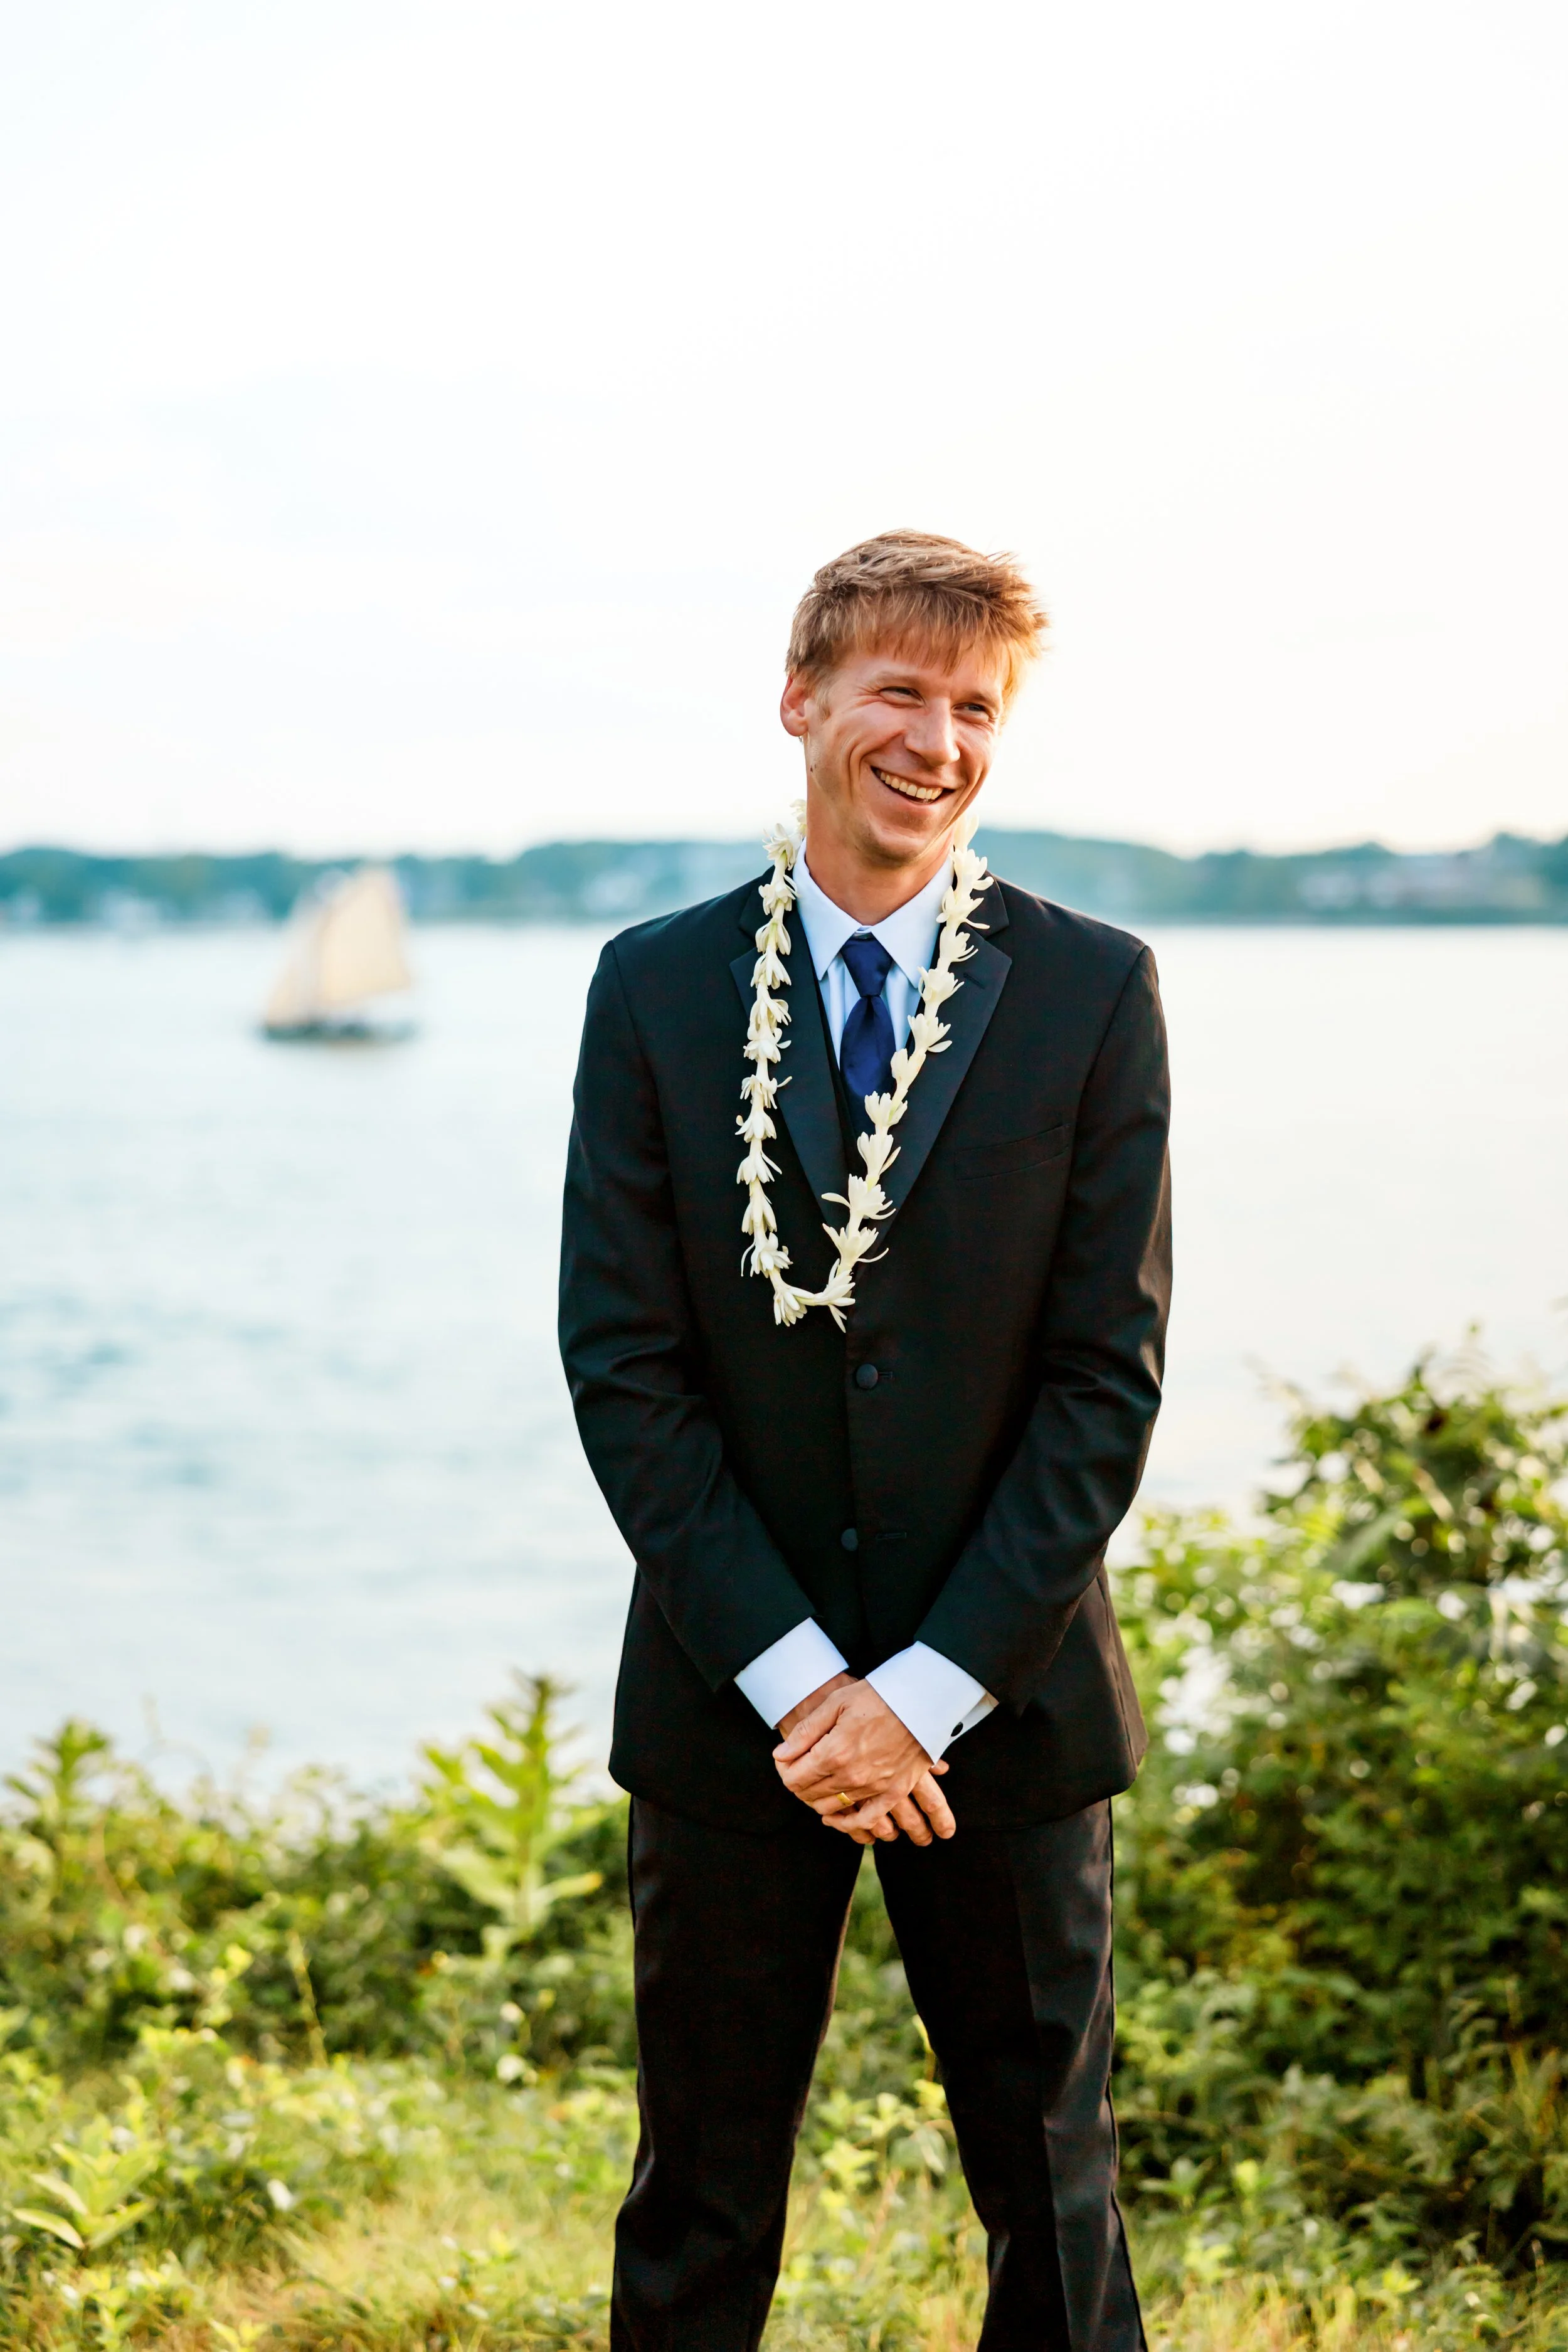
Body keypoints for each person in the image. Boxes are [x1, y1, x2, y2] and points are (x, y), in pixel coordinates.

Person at [558, 529, 1172, 2351]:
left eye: (973, 705)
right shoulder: (653, 985)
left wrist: (923, 1688)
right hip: (727, 1692)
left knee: (1052, 2208)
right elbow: (625, 1362)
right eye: (899, 689)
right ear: (801, 700)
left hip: (1008, 1686)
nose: (936, 736)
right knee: (699, 2194)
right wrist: (797, 1678)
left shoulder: (1090, 987)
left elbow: (1102, 1382)